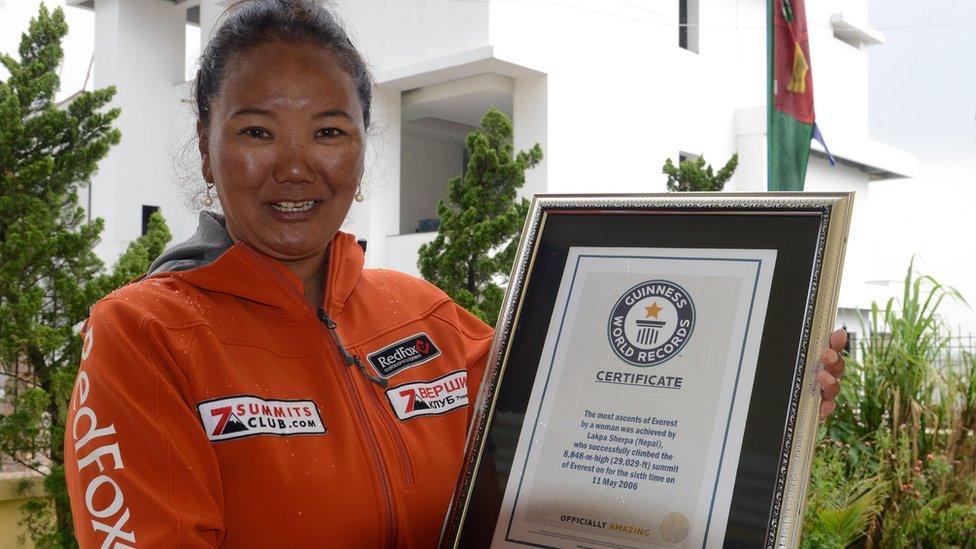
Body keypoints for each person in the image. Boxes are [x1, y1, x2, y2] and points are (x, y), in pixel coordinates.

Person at [63, 1, 847, 546]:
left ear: (363, 148)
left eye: (329, 130)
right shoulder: (144, 337)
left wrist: (764, 380)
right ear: (206, 146)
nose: (296, 165)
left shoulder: (428, 317)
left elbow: (581, 431)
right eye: (258, 129)